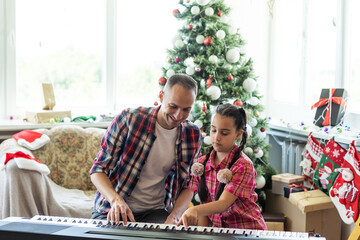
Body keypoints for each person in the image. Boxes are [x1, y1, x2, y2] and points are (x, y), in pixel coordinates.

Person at [89, 73, 201, 225]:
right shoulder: (129, 119)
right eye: (173, 106)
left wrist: (175, 214)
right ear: (161, 96)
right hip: (113, 208)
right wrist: (116, 201)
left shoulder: (192, 134)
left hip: (155, 211)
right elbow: (98, 170)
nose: (178, 115)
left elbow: (190, 184)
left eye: (186, 110)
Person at [178, 103, 267, 230]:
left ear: (238, 134)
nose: (217, 137)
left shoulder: (243, 165)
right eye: (213, 130)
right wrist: (202, 235)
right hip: (222, 233)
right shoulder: (202, 164)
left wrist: (195, 210)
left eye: (224, 133)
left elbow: (223, 204)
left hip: (247, 231)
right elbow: (205, 205)